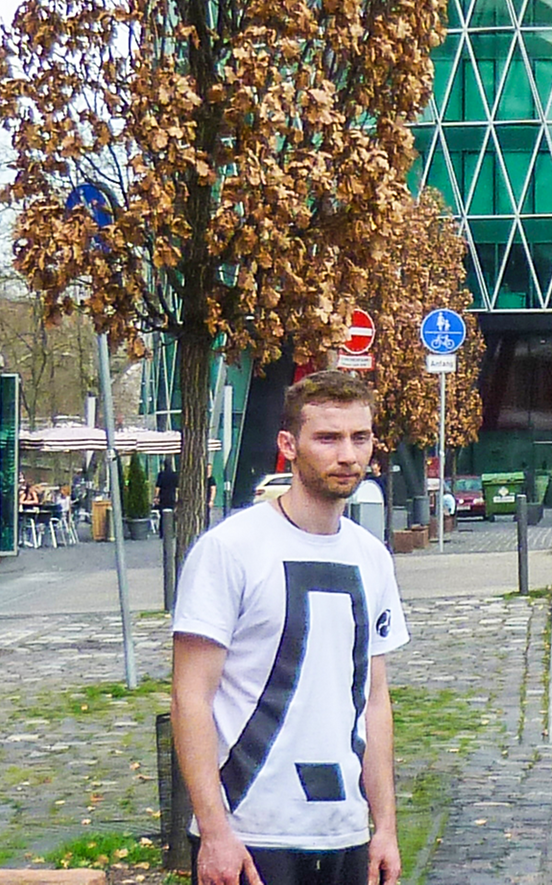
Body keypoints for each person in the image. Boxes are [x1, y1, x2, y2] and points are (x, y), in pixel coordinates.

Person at [171, 369, 407, 885]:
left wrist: (384, 826)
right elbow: (191, 698)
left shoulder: (372, 558)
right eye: (327, 438)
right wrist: (214, 832)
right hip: (251, 832)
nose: (347, 455)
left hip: (344, 831)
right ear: (288, 444)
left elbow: (375, 699)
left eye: (359, 438)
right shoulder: (229, 549)